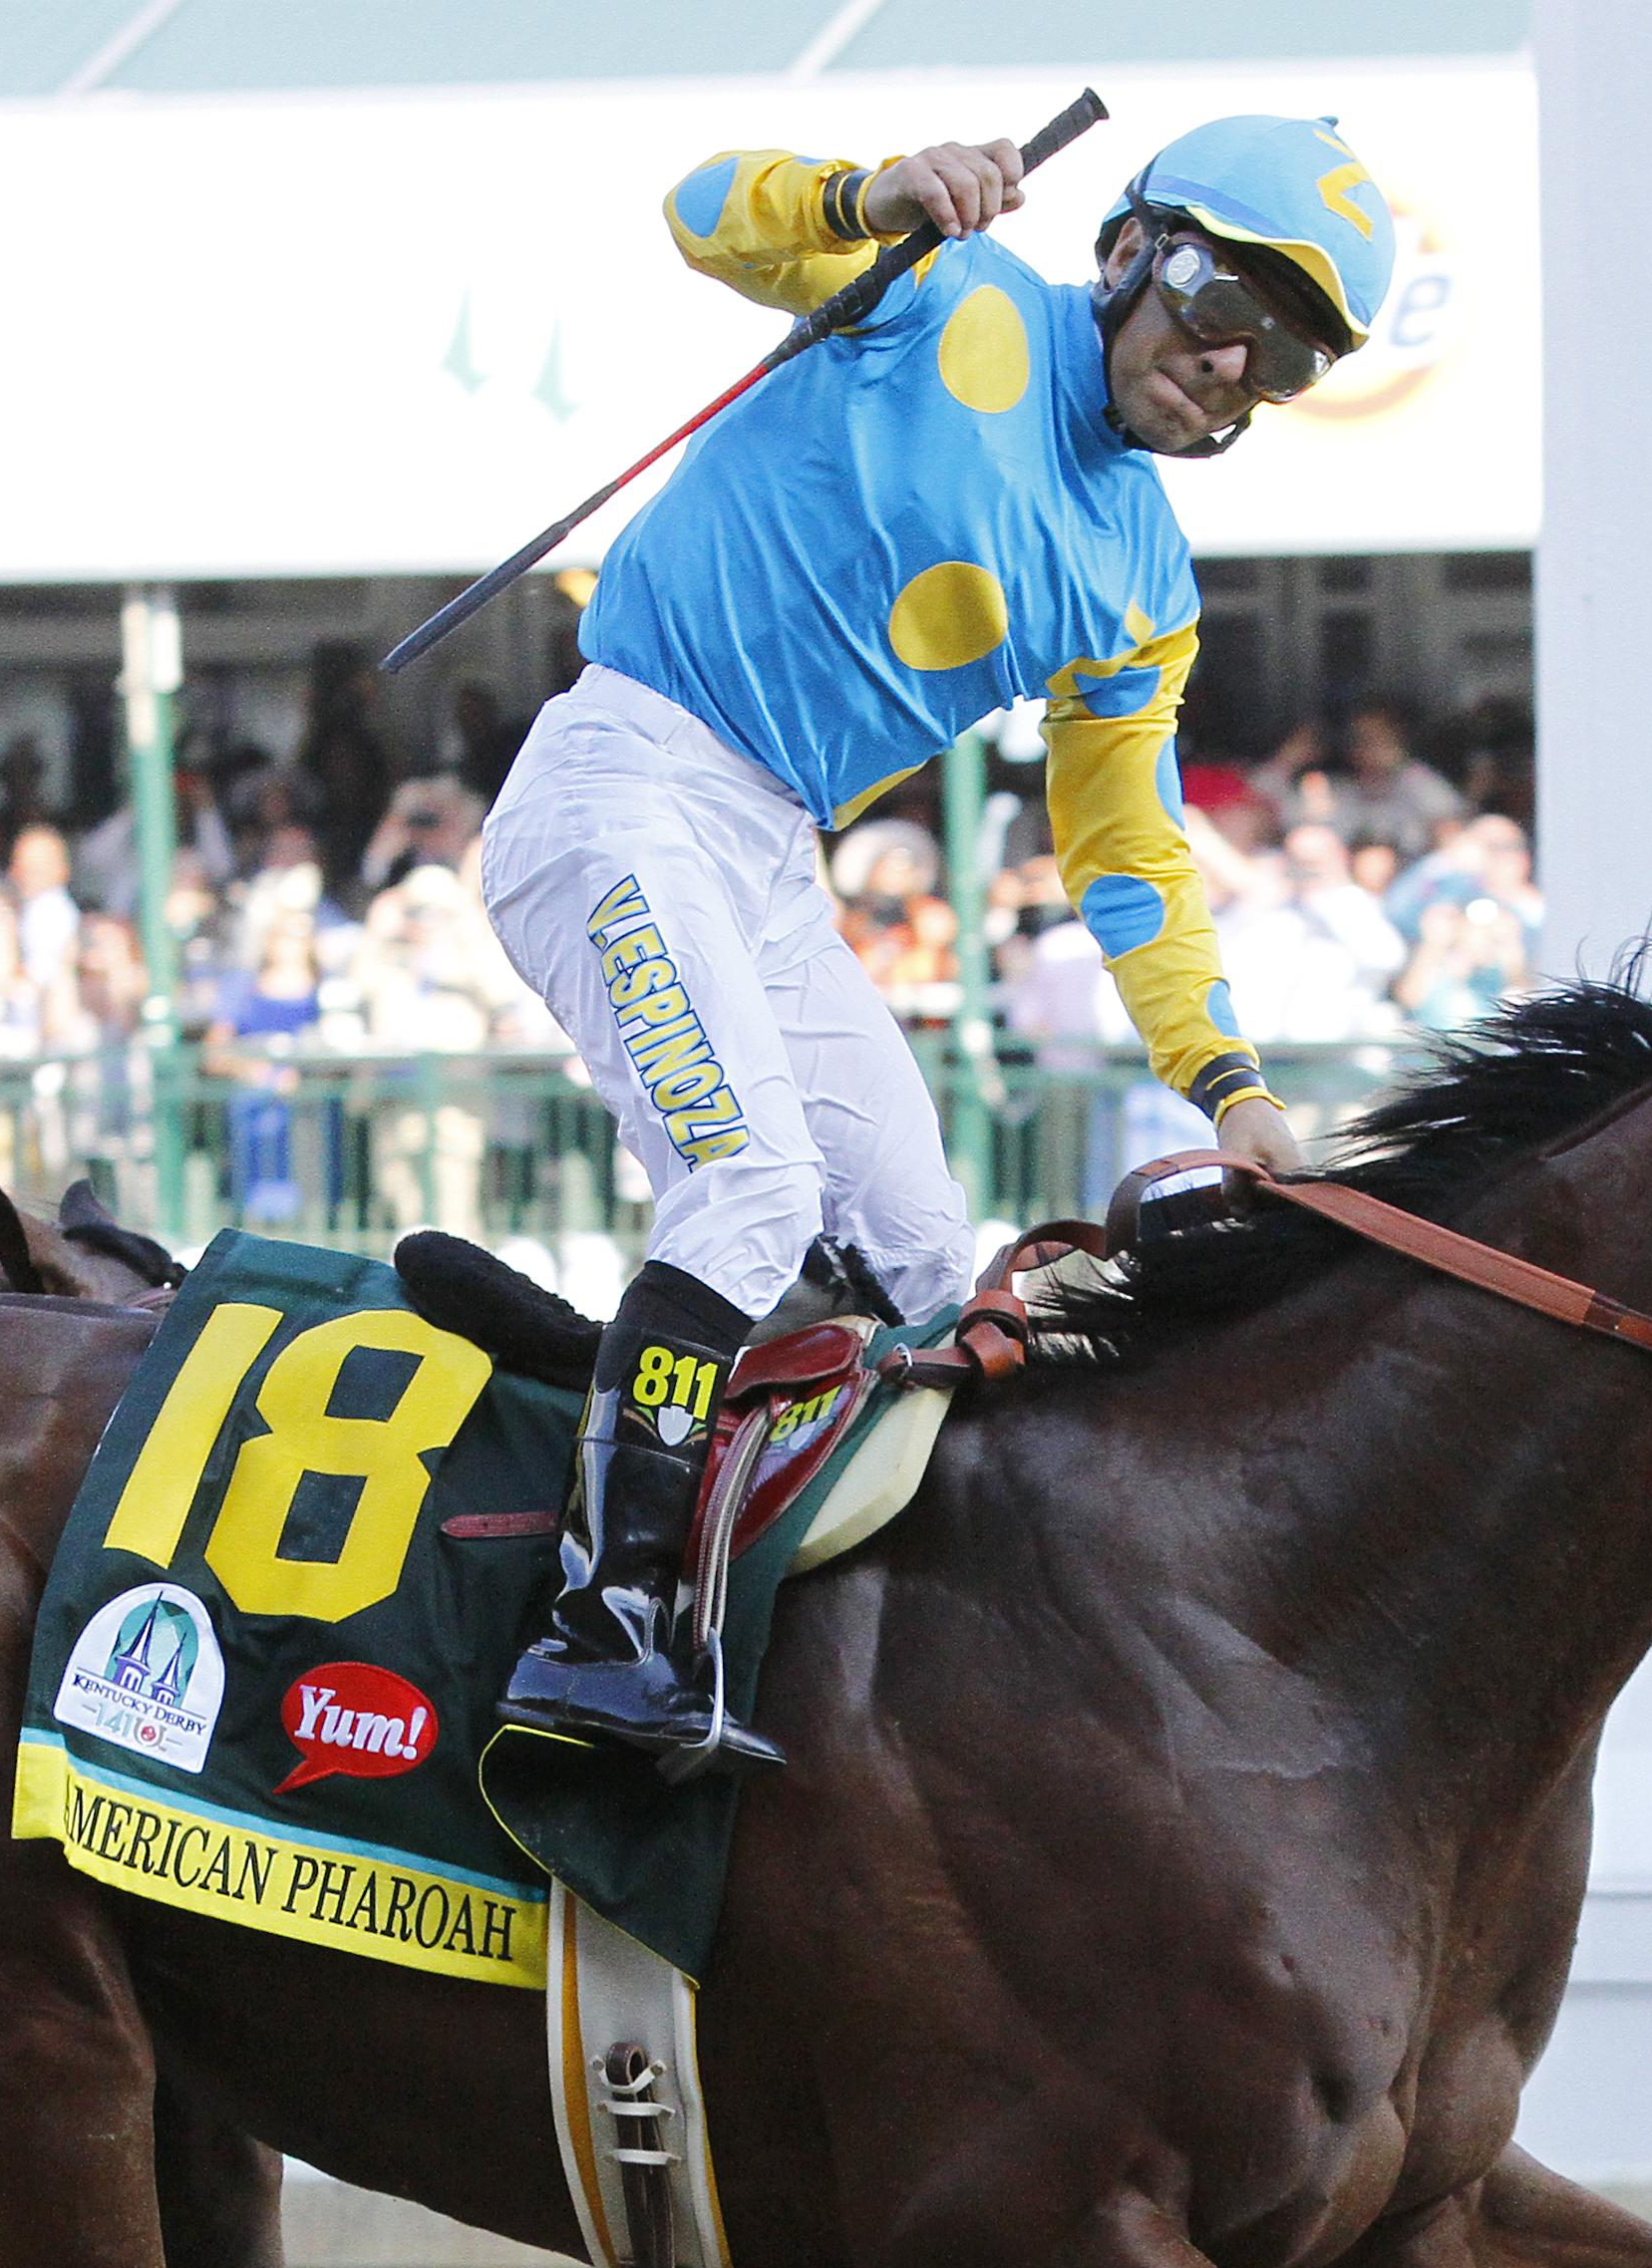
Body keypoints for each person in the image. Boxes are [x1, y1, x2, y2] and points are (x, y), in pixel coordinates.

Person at [482, 110, 1391, 1756]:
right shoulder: (946, 286)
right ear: (1128, 252)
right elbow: (701, 215)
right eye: (1210, 305)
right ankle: (599, 1629)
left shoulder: (1144, 581)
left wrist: (1232, 1091)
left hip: (761, 860)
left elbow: (1127, 858)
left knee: (923, 1252)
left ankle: (859, 1651)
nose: (1226, 367)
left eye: (1282, 360)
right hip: (618, 783)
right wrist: (868, 193)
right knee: (753, 1182)